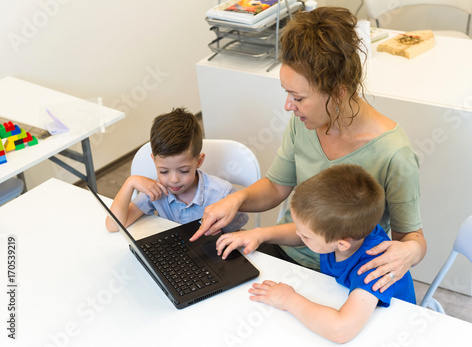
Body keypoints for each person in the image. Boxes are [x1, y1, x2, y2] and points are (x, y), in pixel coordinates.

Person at [191, 7, 426, 293]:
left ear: (338, 92)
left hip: (346, 274)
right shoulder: (304, 122)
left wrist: (410, 252)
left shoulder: (394, 153)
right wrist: (236, 199)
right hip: (287, 250)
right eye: (287, 93)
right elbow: (277, 188)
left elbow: (411, 237)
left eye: (298, 97)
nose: (288, 106)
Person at [216, 164, 416, 343]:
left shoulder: (374, 266)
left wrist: (288, 300)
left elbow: (341, 330)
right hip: (354, 307)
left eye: (305, 236)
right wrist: (259, 234)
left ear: (341, 244)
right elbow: (305, 233)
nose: (297, 234)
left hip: (394, 330)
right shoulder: (344, 235)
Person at [105, 107, 248, 232]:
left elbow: (236, 233)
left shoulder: (222, 194)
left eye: (184, 171)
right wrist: (130, 182)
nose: (173, 180)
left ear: (199, 161)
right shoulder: (155, 190)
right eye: (164, 171)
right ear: (154, 161)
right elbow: (113, 225)